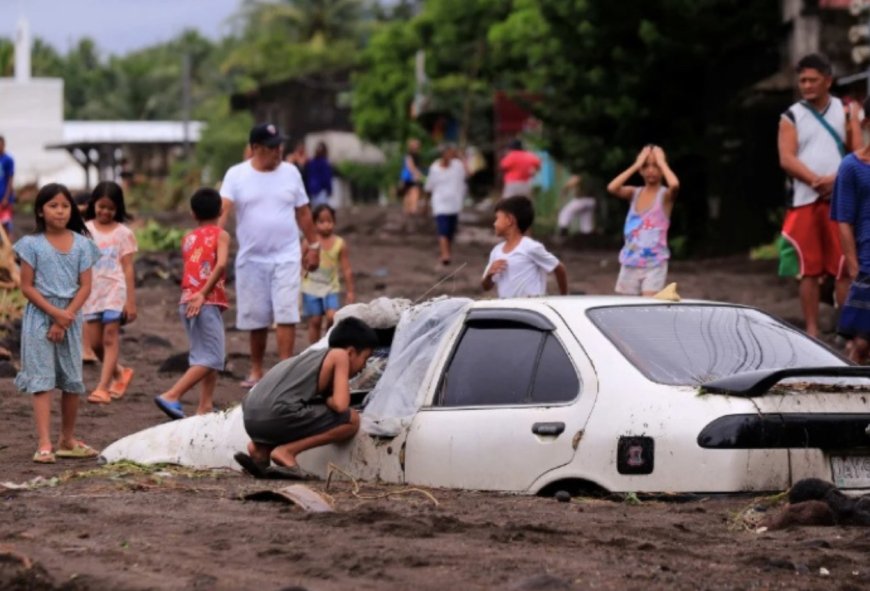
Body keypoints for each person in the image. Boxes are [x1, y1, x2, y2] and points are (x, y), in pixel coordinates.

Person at [219, 123, 320, 387]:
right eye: (272, 147)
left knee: (286, 313)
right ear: (255, 149)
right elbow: (224, 209)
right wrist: (211, 241)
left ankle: (284, 370)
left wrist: (314, 246)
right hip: (251, 258)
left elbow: (303, 212)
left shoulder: (291, 172)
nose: (278, 151)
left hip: (286, 255)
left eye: (279, 146)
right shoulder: (236, 175)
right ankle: (256, 371)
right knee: (257, 317)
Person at [14, 183, 100, 464]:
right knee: (42, 380)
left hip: (71, 318)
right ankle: (44, 443)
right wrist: (55, 314)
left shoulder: (83, 244)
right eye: (53, 206)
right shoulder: (31, 245)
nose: (60, 211)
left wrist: (65, 318)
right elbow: (26, 287)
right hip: (40, 317)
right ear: (41, 210)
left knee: (72, 381)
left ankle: (67, 439)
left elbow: (85, 286)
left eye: (65, 206)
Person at [778, 53, 861, 337]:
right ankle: (812, 330)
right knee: (808, 268)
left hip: (842, 198)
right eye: (802, 80)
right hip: (804, 199)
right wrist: (816, 180)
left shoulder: (848, 111)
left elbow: (859, 152)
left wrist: (836, 180)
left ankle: (844, 329)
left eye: (813, 80)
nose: (807, 85)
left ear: (828, 80)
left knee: (844, 266)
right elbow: (786, 159)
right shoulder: (791, 116)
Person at [234, 317, 378, 479]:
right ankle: (287, 452)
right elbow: (341, 405)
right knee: (352, 420)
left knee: (296, 411)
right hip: (276, 414)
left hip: (251, 418)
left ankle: (260, 451)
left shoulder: (308, 358)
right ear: (351, 352)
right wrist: (330, 400)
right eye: (365, 359)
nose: (364, 366)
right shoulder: (340, 355)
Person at [155, 188, 230, 419]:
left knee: (204, 355)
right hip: (203, 301)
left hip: (187, 300)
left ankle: (205, 405)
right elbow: (221, 264)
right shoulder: (221, 235)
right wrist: (204, 294)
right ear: (220, 210)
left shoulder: (187, 238)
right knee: (214, 357)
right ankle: (171, 395)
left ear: (192, 213)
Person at [82, 182, 138, 404]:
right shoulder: (85, 231)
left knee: (110, 336)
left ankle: (102, 388)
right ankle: (120, 372)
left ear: (118, 209)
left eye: (110, 208)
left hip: (115, 290)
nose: (105, 212)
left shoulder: (123, 233)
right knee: (95, 344)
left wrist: (131, 302)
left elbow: (127, 268)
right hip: (92, 293)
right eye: (101, 206)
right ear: (93, 204)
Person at [607, 145, 680, 296]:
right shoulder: (634, 193)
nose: (651, 170)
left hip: (655, 264)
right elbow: (612, 187)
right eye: (646, 166)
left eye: (656, 166)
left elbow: (674, 184)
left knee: (648, 306)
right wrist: (635, 165)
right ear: (641, 169)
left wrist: (662, 163)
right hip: (630, 262)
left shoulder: (665, 196)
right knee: (627, 308)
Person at [831, 96, 870, 363]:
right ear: (867, 123)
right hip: (868, 263)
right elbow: (843, 220)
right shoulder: (851, 167)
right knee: (861, 343)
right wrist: (854, 267)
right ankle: (847, 394)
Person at [482, 195, 568, 298]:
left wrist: (564, 297)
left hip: (531, 309)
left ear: (509, 220)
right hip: (508, 310)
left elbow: (559, 268)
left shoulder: (530, 247)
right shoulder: (496, 251)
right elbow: (486, 286)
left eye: (497, 218)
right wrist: (489, 275)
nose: (494, 223)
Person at [301, 204, 355, 345]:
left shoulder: (339, 244)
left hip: (331, 287)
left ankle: (327, 342)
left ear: (334, 222)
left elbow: (347, 269)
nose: (326, 225)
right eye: (321, 221)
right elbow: (300, 263)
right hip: (311, 286)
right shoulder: (308, 242)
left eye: (329, 221)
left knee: (332, 317)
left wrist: (350, 291)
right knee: (315, 320)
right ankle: (313, 349)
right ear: (314, 223)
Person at [424, 144, 467, 267]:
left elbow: (469, 173)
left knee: (450, 231)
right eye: (448, 153)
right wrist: (426, 204)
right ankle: (445, 254)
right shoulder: (435, 168)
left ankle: (447, 251)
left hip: (454, 204)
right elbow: (429, 187)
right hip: (440, 203)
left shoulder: (458, 166)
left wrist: (462, 158)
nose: (451, 155)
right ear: (443, 154)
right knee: (442, 229)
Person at [303, 142, 333, 208]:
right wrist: (329, 190)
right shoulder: (324, 163)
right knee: (321, 210)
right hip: (321, 191)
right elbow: (327, 178)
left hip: (313, 191)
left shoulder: (311, 162)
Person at [400, 138, 425, 215]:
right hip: (411, 176)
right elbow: (410, 166)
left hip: (407, 176)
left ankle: (408, 209)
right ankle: (412, 209)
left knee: (408, 192)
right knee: (414, 191)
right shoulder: (410, 155)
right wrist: (417, 174)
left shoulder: (413, 155)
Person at [0, 135, 15, 238]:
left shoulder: (8, 160)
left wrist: (6, 197)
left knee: (6, 223)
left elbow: (10, 179)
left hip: (4, 197)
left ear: (4, 145)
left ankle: (9, 247)